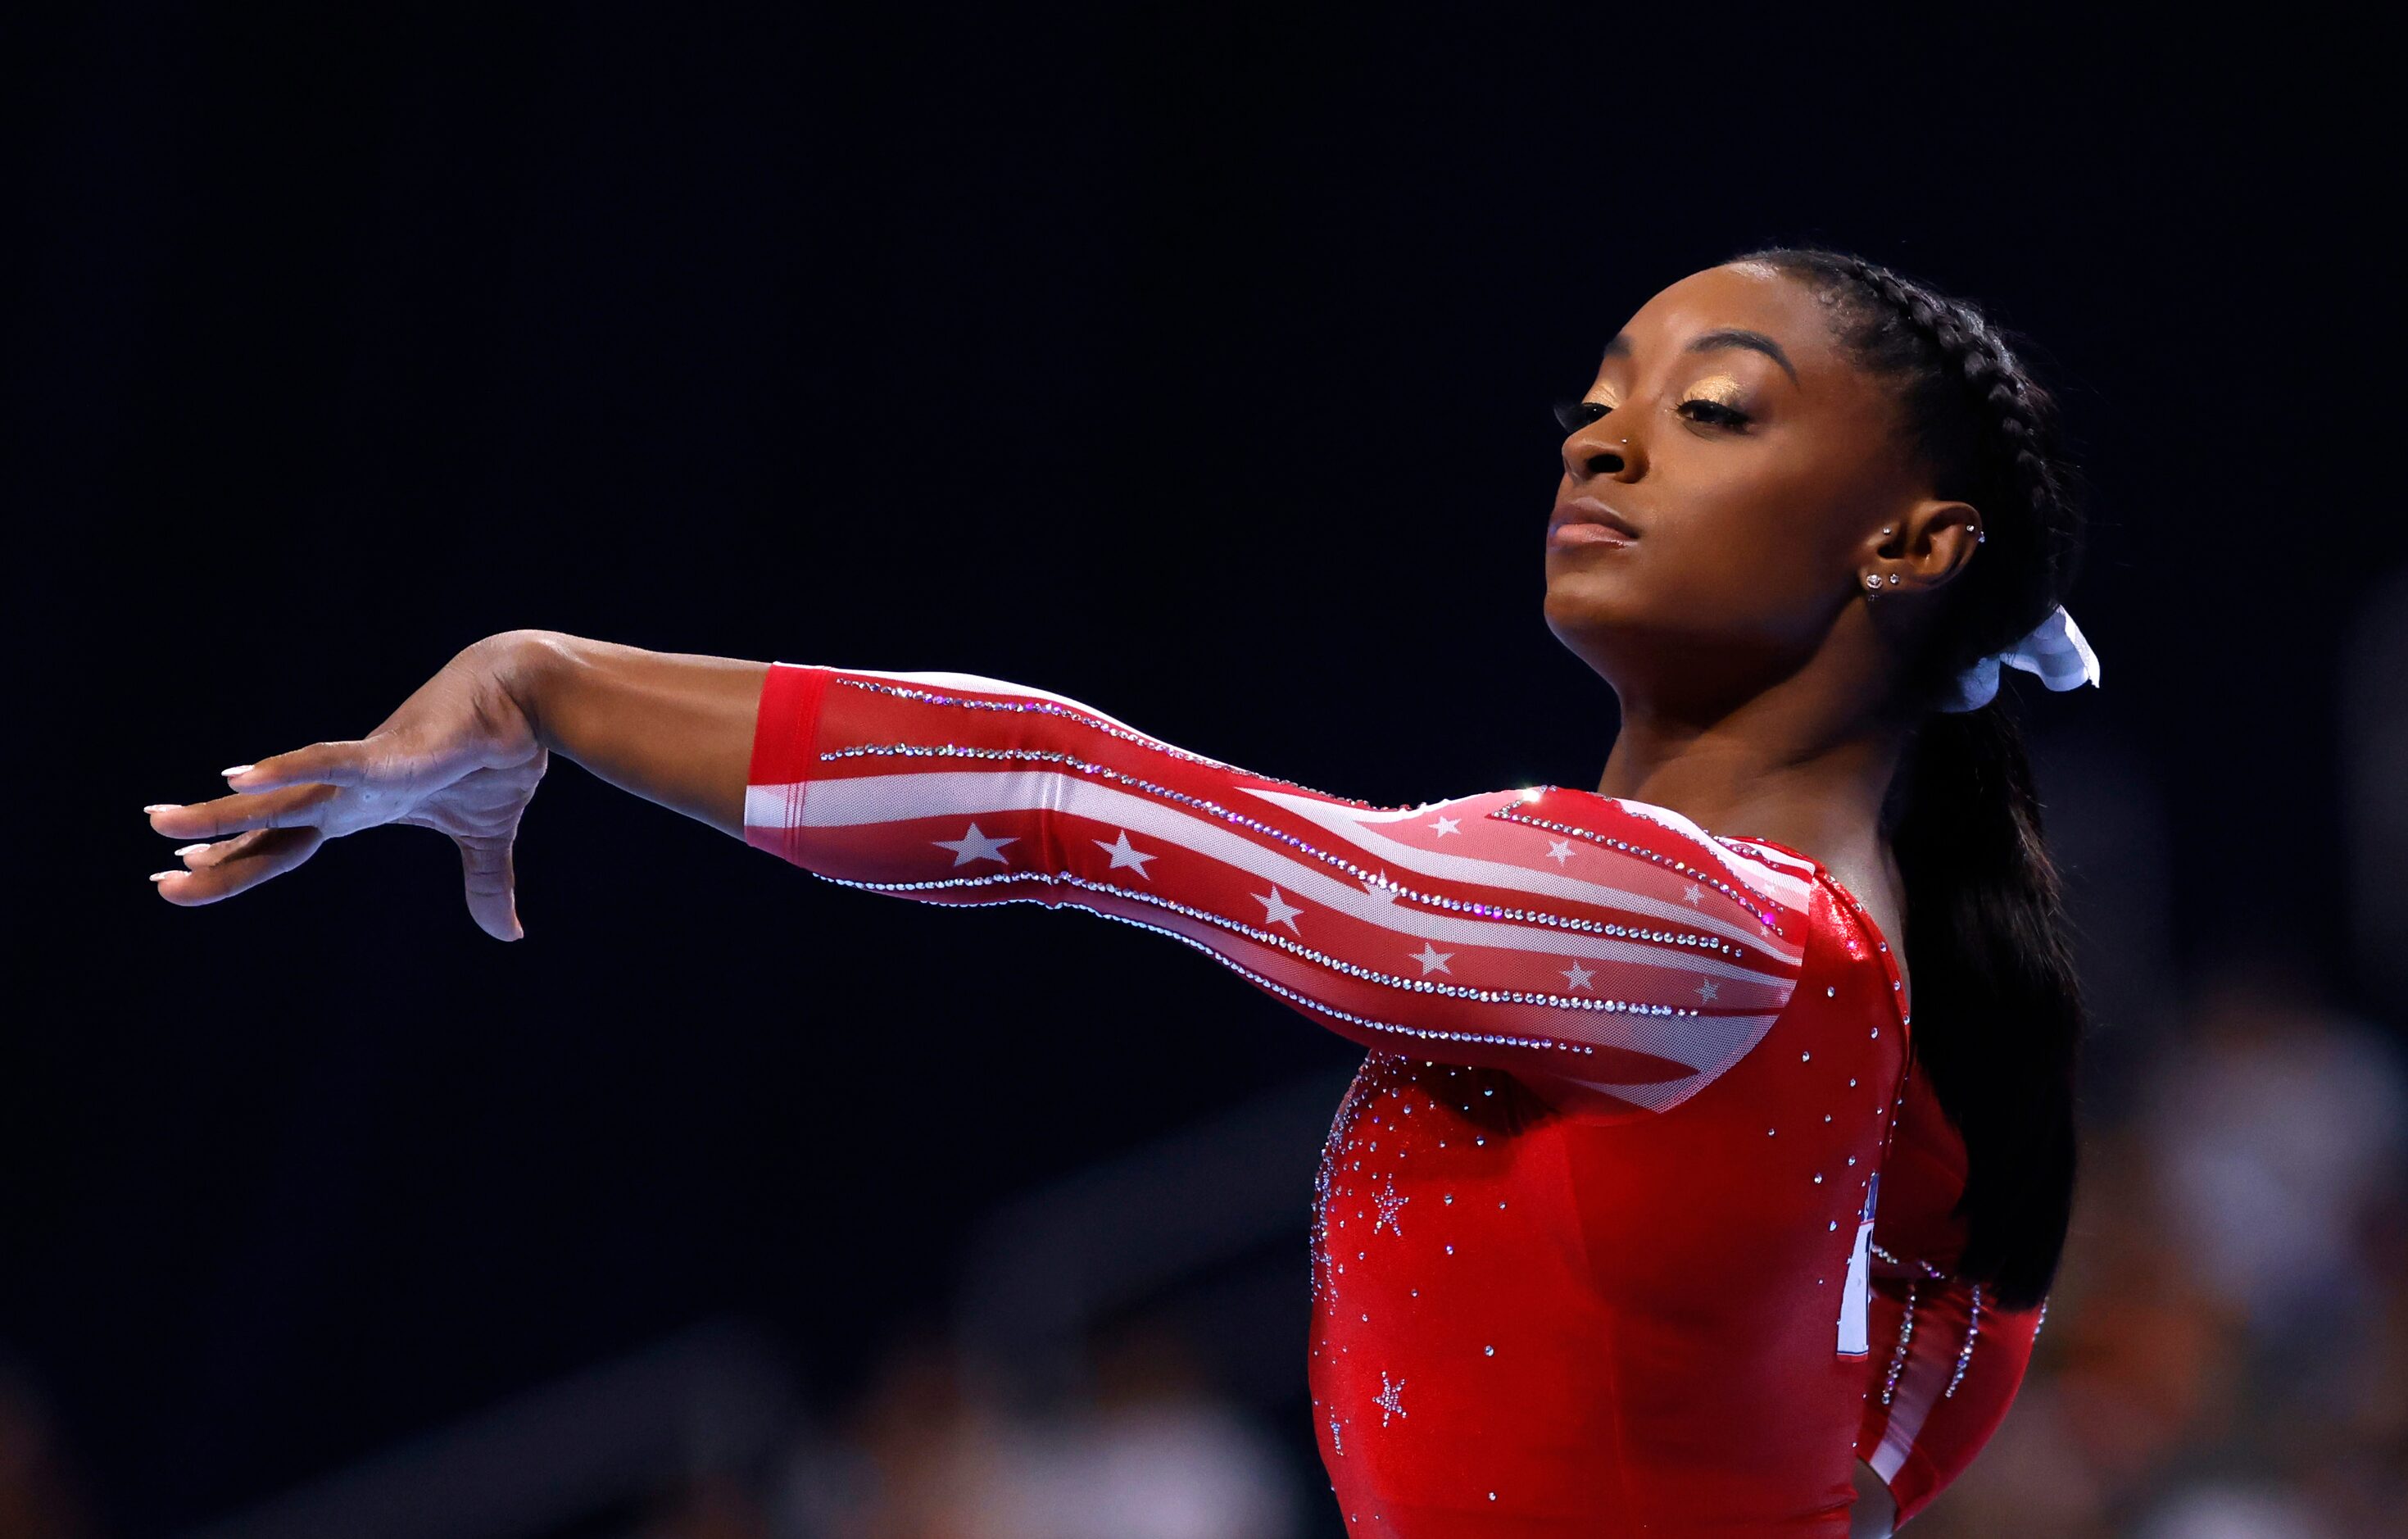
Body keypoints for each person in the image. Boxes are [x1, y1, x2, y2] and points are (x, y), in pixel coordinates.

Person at [143, 247, 2102, 1535]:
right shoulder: (1862, 953)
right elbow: (1960, 1316)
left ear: (1913, 545)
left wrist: (547, 688)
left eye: (1715, 408)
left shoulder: (1708, 934)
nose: (1600, 431)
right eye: (1602, 391)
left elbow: (1080, 804)